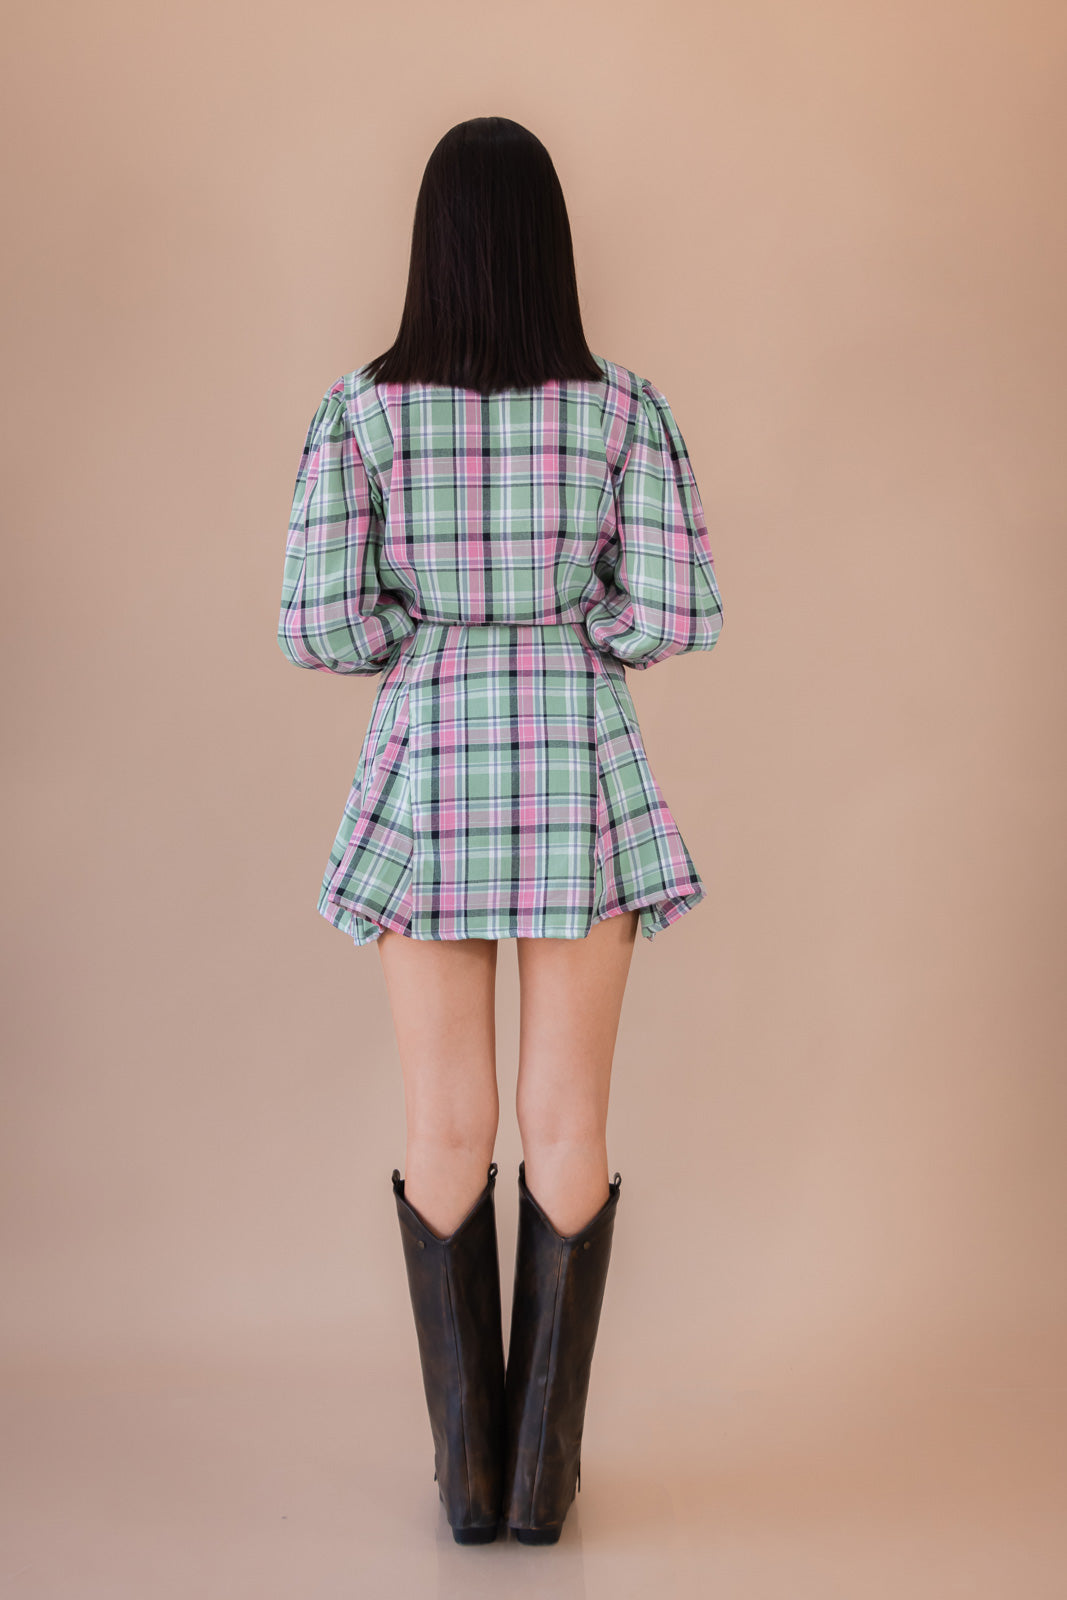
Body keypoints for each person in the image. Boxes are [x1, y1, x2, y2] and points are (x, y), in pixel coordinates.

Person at [276, 115, 724, 1545]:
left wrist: (427, 642)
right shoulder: (623, 408)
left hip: (427, 769)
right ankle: (541, 1486)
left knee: (445, 1122)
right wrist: (572, 632)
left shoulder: (362, 413)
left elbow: (319, 624)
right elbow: (675, 610)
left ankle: (470, 1486)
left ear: (432, 245)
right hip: (578, 764)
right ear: (550, 246)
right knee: (566, 1120)